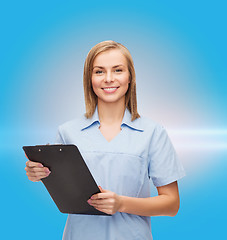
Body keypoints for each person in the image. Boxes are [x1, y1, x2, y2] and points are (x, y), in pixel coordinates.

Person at [25, 40, 185, 239]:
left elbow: (171, 204)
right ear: (89, 79)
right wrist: (38, 173)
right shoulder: (67, 132)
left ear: (130, 78)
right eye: (99, 71)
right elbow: (61, 187)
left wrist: (121, 204)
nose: (109, 79)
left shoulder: (153, 133)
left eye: (118, 70)